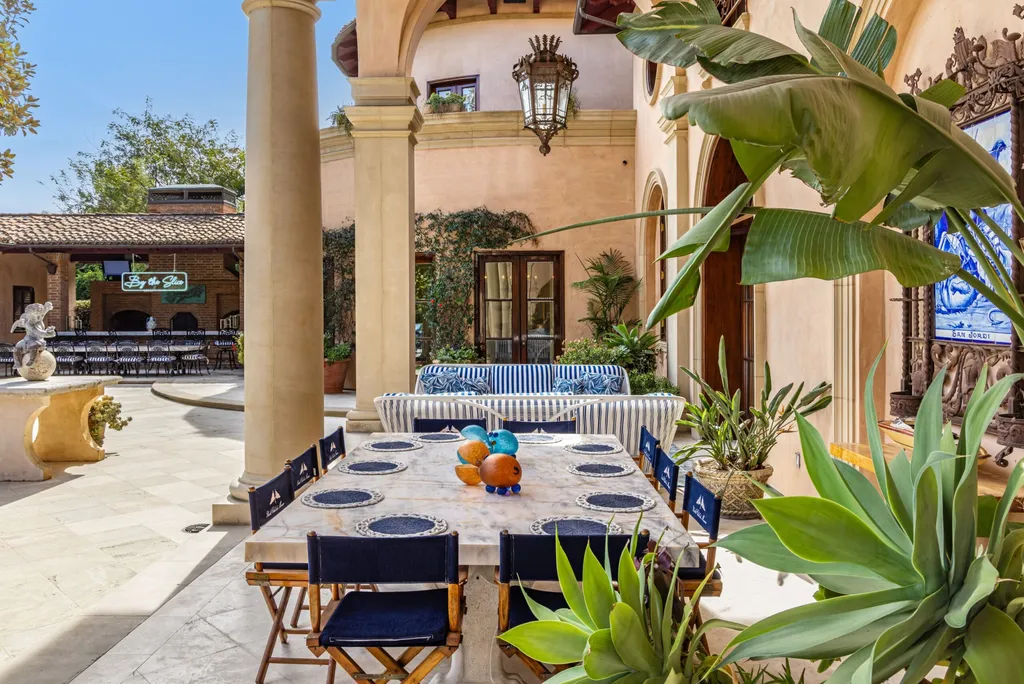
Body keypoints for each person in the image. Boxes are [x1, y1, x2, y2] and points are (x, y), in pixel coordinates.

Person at [10, 302, 56, 370]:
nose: (40, 317)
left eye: (39, 315)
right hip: (27, 340)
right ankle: (17, 363)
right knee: (17, 347)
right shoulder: (29, 324)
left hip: (38, 341)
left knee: (33, 346)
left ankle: (32, 360)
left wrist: (47, 307)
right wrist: (49, 333)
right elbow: (40, 332)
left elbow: (43, 313)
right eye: (37, 316)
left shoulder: (38, 320)